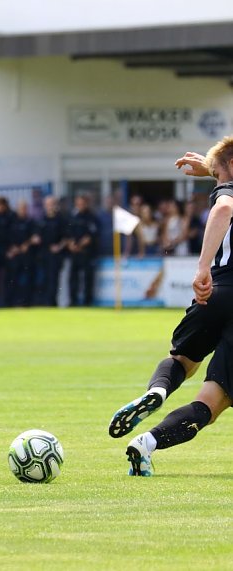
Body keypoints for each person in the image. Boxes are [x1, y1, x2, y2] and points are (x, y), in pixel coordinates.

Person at [109, 139, 233, 476]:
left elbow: (226, 195)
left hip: (216, 293)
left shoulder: (227, 184)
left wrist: (205, 268)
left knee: (182, 361)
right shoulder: (228, 190)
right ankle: (146, 443)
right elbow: (225, 206)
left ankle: (157, 391)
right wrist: (202, 266)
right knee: (214, 400)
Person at [4, 200, 40, 307]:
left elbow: (36, 238)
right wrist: (12, 248)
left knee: (30, 280)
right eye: (21, 208)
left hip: (28, 256)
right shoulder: (12, 222)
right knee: (12, 280)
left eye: (25, 208)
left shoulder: (31, 222)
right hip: (15, 256)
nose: (23, 210)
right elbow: (7, 238)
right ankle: (9, 303)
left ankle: (28, 303)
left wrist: (27, 244)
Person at [66, 194, 98, 306]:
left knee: (87, 279)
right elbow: (68, 233)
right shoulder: (72, 216)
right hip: (74, 254)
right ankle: (73, 302)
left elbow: (91, 236)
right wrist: (71, 244)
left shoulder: (91, 217)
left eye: (82, 203)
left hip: (86, 253)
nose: (80, 205)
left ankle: (87, 302)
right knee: (73, 279)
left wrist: (79, 245)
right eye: (78, 203)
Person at [36, 195, 68, 306]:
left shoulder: (61, 219)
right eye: (48, 204)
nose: (50, 207)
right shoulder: (42, 220)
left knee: (54, 279)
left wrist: (59, 247)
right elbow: (37, 237)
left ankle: (52, 302)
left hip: (56, 255)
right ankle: (45, 302)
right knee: (45, 278)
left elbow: (66, 237)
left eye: (52, 204)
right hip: (44, 254)